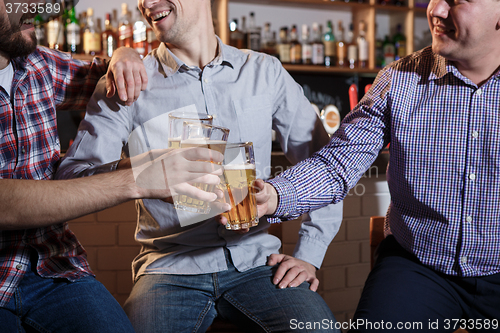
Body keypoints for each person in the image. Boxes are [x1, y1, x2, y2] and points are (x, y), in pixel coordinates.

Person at [55, 0, 343, 332]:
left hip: (257, 263)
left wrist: (310, 253)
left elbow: (328, 165)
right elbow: (72, 177)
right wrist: (141, 170)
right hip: (167, 269)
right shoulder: (128, 81)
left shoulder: (264, 72)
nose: (146, 3)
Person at [251, 0, 500, 331]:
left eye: (455, 1)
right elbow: (337, 163)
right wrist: (273, 195)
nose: (437, 10)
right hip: (420, 265)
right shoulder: (399, 80)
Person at [0, 1, 223, 332]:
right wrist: (139, 178)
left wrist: (124, 55)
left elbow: (117, 76)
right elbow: (6, 204)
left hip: (54, 266)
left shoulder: (39, 65)